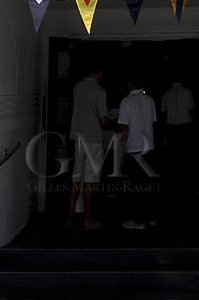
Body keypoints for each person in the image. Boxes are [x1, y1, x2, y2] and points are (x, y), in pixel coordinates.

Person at [66, 64, 110, 229]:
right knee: (90, 181)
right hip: (93, 138)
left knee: (76, 177)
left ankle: (69, 218)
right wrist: (110, 118)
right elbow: (103, 120)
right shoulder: (100, 91)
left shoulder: (77, 87)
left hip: (78, 136)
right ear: (99, 72)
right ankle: (87, 220)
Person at [116, 75, 159, 230]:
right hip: (149, 146)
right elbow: (152, 122)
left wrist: (120, 153)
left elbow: (123, 129)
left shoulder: (126, 102)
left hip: (134, 147)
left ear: (128, 84)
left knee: (135, 186)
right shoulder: (149, 100)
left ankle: (138, 220)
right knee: (148, 184)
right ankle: (150, 216)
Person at [160, 78, 197, 197]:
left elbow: (163, 114)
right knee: (186, 155)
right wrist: (193, 125)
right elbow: (191, 110)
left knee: (174, 155)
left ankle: (175, 183)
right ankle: (186, 182)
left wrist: (164, 133)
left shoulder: (166, 93)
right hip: (185, 126)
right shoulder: (187, 91)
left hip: (171, 127)